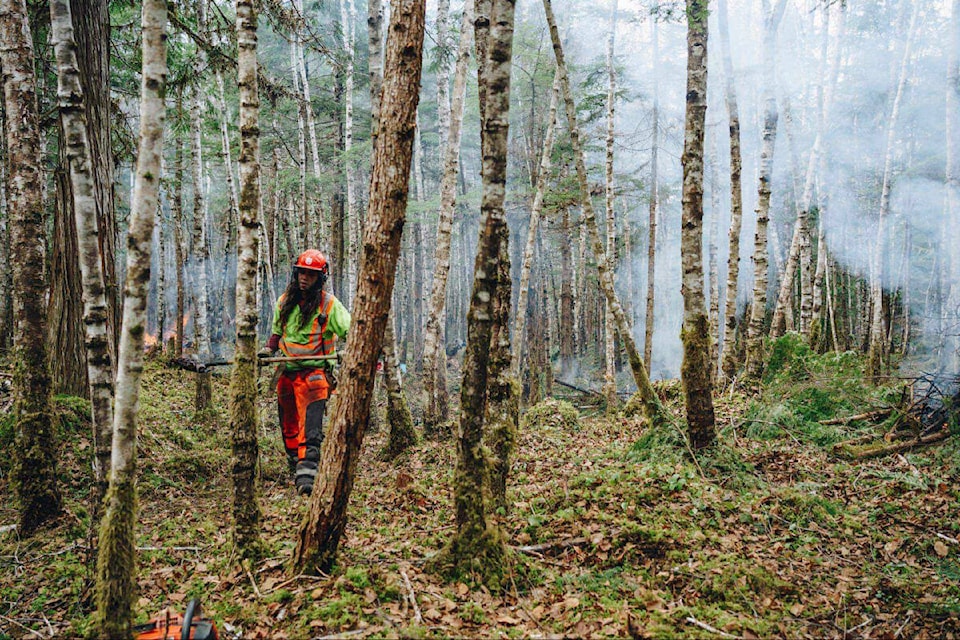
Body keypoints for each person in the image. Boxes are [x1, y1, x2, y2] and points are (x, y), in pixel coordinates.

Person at [259, 250, 350, 496]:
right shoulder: (284, 302)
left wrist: (350, 352)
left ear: (319, 278)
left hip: (314, 375)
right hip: (287, 374)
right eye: (301, 272)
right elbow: (276, 334)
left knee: (310, 430)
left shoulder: (329, 305)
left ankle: (307, 479)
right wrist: (268, 350)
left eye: (310, 275)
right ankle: (294, 464)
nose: (304, 278)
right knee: (288, 427)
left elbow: (351, 332)